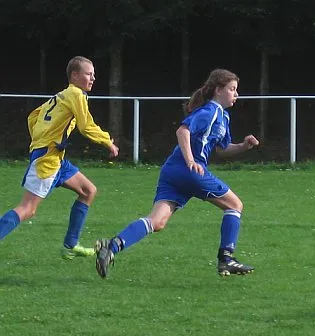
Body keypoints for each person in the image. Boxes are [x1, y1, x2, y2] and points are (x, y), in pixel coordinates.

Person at [94, 68, 259, 279]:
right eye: (232, 89)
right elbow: (182, 131)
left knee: (157, 221)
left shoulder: (222, 117)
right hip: (189, 170)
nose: (236, 94)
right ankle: (226, 259)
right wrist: (191, 160)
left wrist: (244, 146)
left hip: (173, 171)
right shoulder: (211, 111)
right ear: (218, 90)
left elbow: (221, 149)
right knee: (235, 205)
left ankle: (112, 246)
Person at [0, 56, 119, 259]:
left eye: (93, 74)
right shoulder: (76, 94)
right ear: (74, 75)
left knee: (88, 191)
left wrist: (41, 139)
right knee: (27, 209)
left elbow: (33, 116)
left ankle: (70, 245)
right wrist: (107, 141)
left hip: (55, 157)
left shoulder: (61, 95)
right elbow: (86, 125)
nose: (93, 78)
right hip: (48, 159)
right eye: (88, 74)